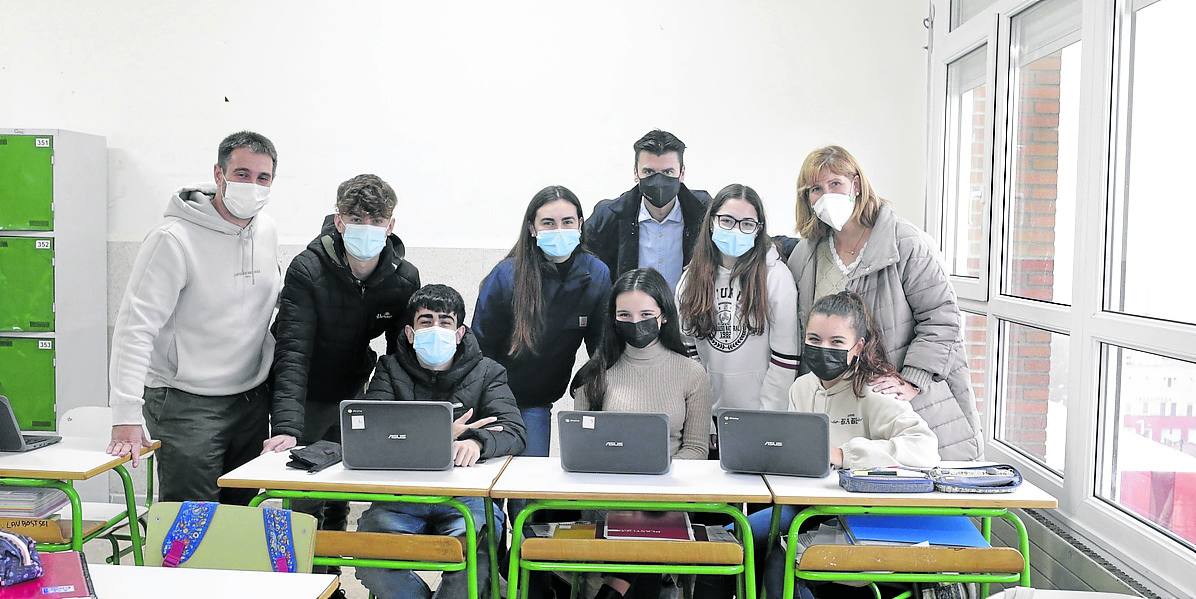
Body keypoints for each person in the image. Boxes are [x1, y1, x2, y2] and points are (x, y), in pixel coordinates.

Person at [106, 131, 294, 505]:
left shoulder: (267, 230)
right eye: (242, 174)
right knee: (191, 522)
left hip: (250, 401)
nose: (252, 186)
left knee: (240, 518)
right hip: (186, 403)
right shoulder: (172, 239)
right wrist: (125, 412)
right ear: (219, 174)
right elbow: (135, 328)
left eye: (263, 178)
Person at [788, 145, 982, 460]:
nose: (826, 195)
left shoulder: (905, 244)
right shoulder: (807, 253)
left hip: (900, 400)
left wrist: (912, 378)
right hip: (842, 408)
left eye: (835, 184)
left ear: (856, 184)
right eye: (815, 189)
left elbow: (942, 318)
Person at [271, 174, 420, 565]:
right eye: (357, 219)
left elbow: (399, 358)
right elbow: (293, 351)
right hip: (303, 392)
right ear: (339, 221)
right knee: (305, 497)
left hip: (353, 389)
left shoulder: (404, 278)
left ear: (391, 225)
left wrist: (394, 417)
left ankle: (330, 577)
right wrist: (287, 426)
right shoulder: (308, 268)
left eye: (377, 221)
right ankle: (302, 580)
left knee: (340, 494)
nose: (367, 229)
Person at [755, 291, 940, 598]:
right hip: (808, 506)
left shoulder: (875, 389)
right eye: (814, 339)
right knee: (735, 538)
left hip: (860, 515)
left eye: (836, 342)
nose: (822, 349)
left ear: (858, 347)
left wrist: (845, 455)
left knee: (779, 562)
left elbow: (925, 448)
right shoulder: (802, 387)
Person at [355, 284, 526, 599]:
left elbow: (514, 430)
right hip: (401, 496)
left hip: (467, 498)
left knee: (478, 555)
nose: (436, 329)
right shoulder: (389, 370)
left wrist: (476, 442)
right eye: (426, 321)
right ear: (410, 332)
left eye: (445, 322)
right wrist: (440, 435)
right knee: (369, 556)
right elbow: (371, 430)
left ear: (460, 332)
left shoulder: (488, 372)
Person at [570, 268, 712, 599]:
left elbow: (695, 450)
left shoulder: (692, 373)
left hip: (667, 496)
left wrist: (658, 482)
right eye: (625, 315)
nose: (636, 322)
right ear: (613, 319)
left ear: (664, 316)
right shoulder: (594, 374)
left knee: (650, 523)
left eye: (646, 314)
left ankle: (614, 588)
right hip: (607, 495)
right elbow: (579, 448)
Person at [472, 185, 609, 457]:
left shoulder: (596, 274)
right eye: (548, 223)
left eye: (567, 222)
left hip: (538, 401)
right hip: (491, 400)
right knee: (490, 488)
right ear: (532, 229)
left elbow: (602, 349)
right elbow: (479, 348)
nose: (559, 229)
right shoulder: (506, 276)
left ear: (580, 224)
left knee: (528, 492)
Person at [677, 183, 799, 423]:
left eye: (747, 224)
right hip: (711, 419)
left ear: (758, 229)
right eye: (727, 221)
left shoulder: (775, 276)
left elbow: (785, 359)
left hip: (762, 417)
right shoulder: (690, 280)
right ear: (711, 222)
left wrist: (768, 416)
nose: (736, 230)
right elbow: (690, 355)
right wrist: (702, 418)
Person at [584, 130, 712, 290]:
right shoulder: (609, 216)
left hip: (688, 312)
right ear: (636, 173)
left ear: (682, 173)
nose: (658, 181)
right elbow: (583, 260)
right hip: (631, 313)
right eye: (649, 172)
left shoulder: (705, 213)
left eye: (668, 172)